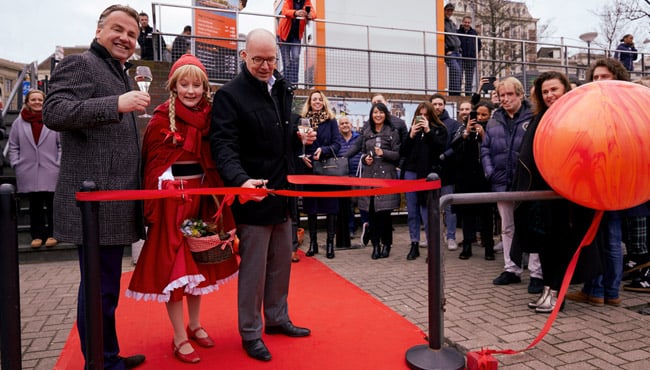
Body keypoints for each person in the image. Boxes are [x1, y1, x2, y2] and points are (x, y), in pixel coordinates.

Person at [42, 4, 148, 369]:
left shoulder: (119, 71)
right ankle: (100, 362)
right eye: (118, 29)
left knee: (106, 289)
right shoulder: (81, 64)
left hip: (115, 201)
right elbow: (54, 112)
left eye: (133, 34)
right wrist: (115, 104)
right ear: (100, 30)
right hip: (95, 202)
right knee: (99, 289)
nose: (126, 38)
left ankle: (107, 354)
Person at [125, 54, 238, 364]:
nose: (191, 90)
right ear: (174, 86)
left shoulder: (212, 116)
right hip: (172, 207)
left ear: (205, 87)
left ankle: (195, 323)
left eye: (197, 85)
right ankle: (178, 336)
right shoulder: (161, 118)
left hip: (201, 201)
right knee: (177, 272)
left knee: (200, 267)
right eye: (185, 84)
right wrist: (168, 189)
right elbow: (153, 164)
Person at [209, 28, 312, 362]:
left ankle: (278, 318)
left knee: (283, 262)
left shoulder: (281, 87)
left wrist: (299, 136)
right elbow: (223, 146)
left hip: (283, 193)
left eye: (271, 59)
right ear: (244, 56)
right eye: (258, 60)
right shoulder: (230, 95)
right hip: (252, 196)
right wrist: (240, 181)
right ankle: (250, 332)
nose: (266, 66)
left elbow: (282, 132)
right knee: (253, 270)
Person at [566, 58, 641, 306]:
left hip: (614, 182)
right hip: (597, 180)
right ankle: (603, 291)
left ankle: (603, 290)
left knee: (608, 238)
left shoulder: (626, 108)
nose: (598, 82)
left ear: (616, 78)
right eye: (595, 77)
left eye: (604, 77)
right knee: (604, 238)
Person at [512, 71, 581, 313]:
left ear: (566, 90)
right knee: (544, 245)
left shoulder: (575, 116)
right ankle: (547, 290)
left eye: (554, 89)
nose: (550, 95)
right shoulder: (540, 118)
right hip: (540, 194)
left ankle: (556, 294)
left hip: (565, 196)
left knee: (561, 245)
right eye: (545, 91)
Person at [480, 77, 543, 294]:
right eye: (501, 95)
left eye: (509, 95)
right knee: (507, 228)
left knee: (533, 227)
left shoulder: (533, 116)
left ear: (520, 94)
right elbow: (485, 149)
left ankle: (537, 273)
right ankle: (512, 268)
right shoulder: (494, 119)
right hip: (501, 182)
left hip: (527, 183)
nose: (505, 99)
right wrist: (490, 172)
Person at [344, 102, 401, 260]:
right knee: (372, 214)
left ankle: (386, 244)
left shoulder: (392, 132)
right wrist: (365, 159)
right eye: (375, 112)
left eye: (381, 112)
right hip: (369, 176)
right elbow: (362, 153)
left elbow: (397, 155)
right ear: (371, 115)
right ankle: (375, 245)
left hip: (386, 177)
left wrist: (384, 152)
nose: (378, 115)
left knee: (384, 215)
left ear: (385, 114)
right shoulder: (366, 132)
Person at [7, 89, 60, 249]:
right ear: (27, 102)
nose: (37, 102)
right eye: (33, 100)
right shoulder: (18, 122)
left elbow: (61, 145)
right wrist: (16, 162)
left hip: (50, 168)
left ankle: (53, 234)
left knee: (52, 204)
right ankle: (36, 235)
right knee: (34, 205)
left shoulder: (52, 120)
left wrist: (59, 163)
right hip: (28, 169)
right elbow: (13, 145)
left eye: (40, 99)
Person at [400, 102, 447, 260]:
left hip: (427, 175)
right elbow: (403, 152)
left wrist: (428, 131)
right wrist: (411, 135)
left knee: (427, 212)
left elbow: (440, 149)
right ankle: (414, 243)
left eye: (426, 115)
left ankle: (432, 246)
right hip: (411, 174)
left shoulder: (439, 130)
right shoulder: (413, 130)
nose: (423, 118)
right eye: (420, 115)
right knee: (412, 211)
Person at [451, 100, 495, 260]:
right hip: (466, 178)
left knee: (486, 215)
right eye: (478, 115)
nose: (481, 118)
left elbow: (495, 149)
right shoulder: (462, 128)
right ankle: (467, 245)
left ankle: (488, 246)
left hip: (484, 178)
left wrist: (483, 135)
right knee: (467, 214)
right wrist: (466, 133)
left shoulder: (492, 129)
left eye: (485, 115)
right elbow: (453, 147)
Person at [300, 89, 342, 259]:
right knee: (311, 208)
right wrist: (303, 156)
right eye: (314, 99)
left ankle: (330, 244)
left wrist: (322, 150)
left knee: (331, 207)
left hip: (327, 170)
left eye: (319, 99)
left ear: (324, 102)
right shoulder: (304, 121)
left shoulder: (331, 121)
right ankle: (313, 243)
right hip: (309, 169)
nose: (317, 102)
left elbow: (337, 144)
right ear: (309, 103)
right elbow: (299, 144)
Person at [429, 93, 461, 251]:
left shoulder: (454, 124)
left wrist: (444, 156)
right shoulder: (426, 122)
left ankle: (451, 237)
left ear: (444, 105)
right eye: (434, 104)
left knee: (449, 206)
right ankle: (435, 236)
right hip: (430, 172)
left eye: (440, 104)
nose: (437, 107)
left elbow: (456, 145)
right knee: (432, 206)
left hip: (448, 170)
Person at [276, 0, 316, 85]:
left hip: (296, 36)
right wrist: (296, 13)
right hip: (284, 36)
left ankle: (294, 82)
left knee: (296, 57)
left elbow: (314, 13)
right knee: (286, 61)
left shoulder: (306, 1)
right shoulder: (288, 0)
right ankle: (286, 83)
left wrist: (309, 15)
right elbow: (285, 11)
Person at [336, 114, 363, 237]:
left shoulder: (359, 138)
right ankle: (350, 228)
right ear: (338, 127)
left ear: (351, 125)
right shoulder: (336, 140)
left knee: (363, 202)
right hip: (343, 177)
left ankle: (366, 227)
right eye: (342, 124)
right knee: (348, 204)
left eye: (347, 123)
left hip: (359, 176)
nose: (345, 125)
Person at [457, 16, 481, 96]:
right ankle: (457, 94)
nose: (467, 24)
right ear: (462, 22)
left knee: (469, 79)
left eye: (468, 22)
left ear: (470, 23)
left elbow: (479, 44)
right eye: (465, 22)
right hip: (461, 58)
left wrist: (474, 53)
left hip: (471, 59)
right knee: (458, 77)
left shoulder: (474, 33)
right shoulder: (458, 32)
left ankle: (468, 95)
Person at [443, 3, 462, 96]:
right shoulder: (441, 22)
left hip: (457, 51)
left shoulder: (451, 23)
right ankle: (454, 94)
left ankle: (456, 93)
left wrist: (460, 49)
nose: (449, 12)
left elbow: (455, 36)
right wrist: (446, 50)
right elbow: (441, 37)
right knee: (456, 70)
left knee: (458, 73)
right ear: (444, 10)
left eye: (451, 11)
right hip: (450, 52)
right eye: (448, 10)